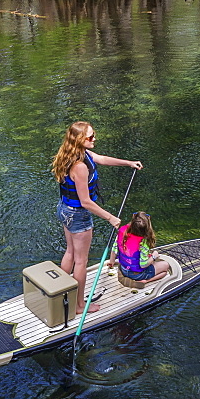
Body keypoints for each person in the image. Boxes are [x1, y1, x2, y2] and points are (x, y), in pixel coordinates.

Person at [51, 121, 143, 315]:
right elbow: (85, 202)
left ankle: (58, 292)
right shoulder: (80, 166)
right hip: (78, 215)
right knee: (81, 262)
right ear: (80, 140)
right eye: (91, 137)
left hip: (64, 209)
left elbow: (100, 158)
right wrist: (110, 218)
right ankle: (79, 306)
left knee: (70, 253)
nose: (95, 139)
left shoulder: (71, 153)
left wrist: (128, 163)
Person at [109, 211, 170, 284]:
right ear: (147, 228)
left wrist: (111, 262)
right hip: (137, 275)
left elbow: (114, 250)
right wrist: (154, 256)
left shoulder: (122, 234)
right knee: (166, 267)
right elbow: (143, 265)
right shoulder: (143, 243)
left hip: (123, 269)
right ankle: (146, 281)